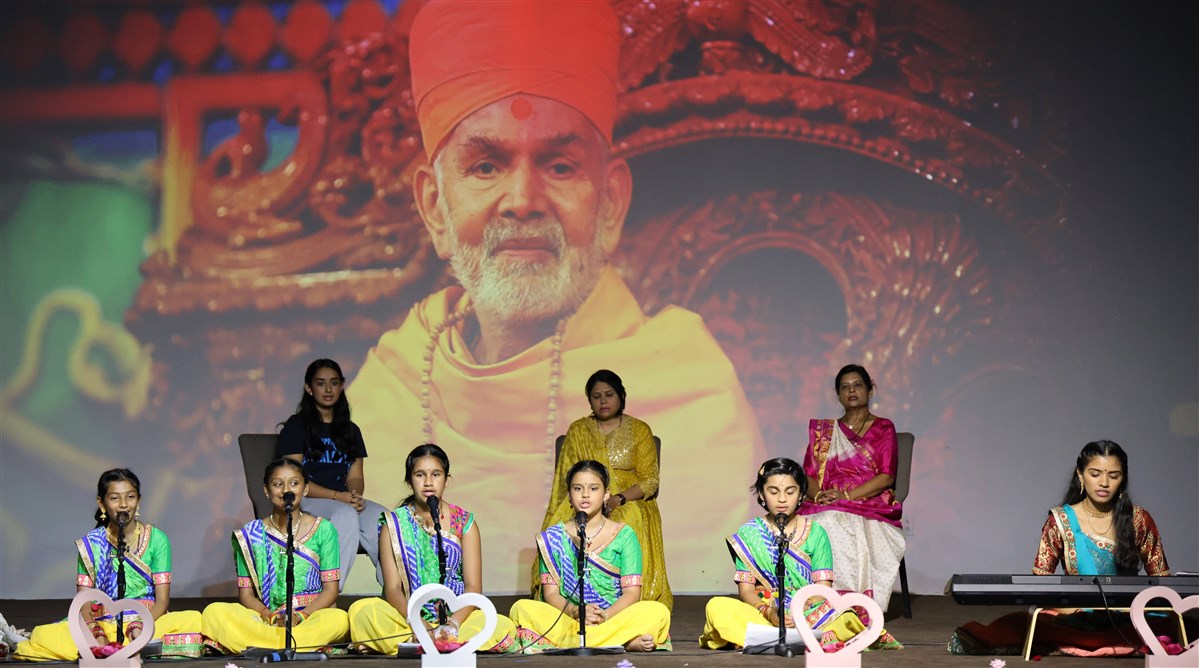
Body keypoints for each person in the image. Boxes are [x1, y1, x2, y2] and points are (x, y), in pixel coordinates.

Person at [349, 0, 765, 594]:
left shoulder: (691, 390)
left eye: (561, 166)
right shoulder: (389, 383)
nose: (523, 199)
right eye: (487, 165)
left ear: (612, 203)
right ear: (435, 208)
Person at [950, 440, 1174, 657]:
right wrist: (1070, 610)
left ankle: (1097, 640)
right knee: (1023, 623)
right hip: (1073, 617)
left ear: (1122, 479)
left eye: (1113, 475)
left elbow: (1161, 581)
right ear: (1080, 475)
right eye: (1095, 474)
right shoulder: (1060, 520)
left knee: (1178, 623)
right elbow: (1040, 582)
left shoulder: (1139, 520)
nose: (1104, 483)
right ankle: (1104, 641)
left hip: (1127, 615)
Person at [700, 458, 900, 651]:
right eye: (773, 491)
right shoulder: (748, 533)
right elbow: (746, 591)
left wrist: (797, 612)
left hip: (808, 611)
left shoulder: (816, 532)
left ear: (801, 494)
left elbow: (823, 590)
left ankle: (764, 639)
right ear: (761, 494)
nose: (782, 499)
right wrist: (769, 612)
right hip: (765, 612)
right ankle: (803, 639)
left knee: (845, 617)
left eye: (790, 491)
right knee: (717, 607)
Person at [11, 469, 202, 660]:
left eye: (130, 497)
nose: (124, 505)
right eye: (115, 498)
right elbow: (83, 600)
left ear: (139, 500)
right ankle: (113, 648)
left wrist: (141, 626)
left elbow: (162, 601)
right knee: (43, 636)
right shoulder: (91, 544)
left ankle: (125, 646)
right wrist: (96, 633)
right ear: (101, 503)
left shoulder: (157, 540)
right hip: (101, 621)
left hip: (145, 620)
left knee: (193, 620)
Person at [349, 445, 516, 654]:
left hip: (458, 620)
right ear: (409, 481)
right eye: (420, 475)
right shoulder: (393, 524)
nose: (428, 482)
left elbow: (473, 586)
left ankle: (415, 645)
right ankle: (439, 645)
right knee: (363, 611)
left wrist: (453, 625)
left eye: (436, 474)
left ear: (446, 479)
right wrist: (418, 624)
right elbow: (392, 589)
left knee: (498, 623)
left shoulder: (465, 523)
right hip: (409, 618)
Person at [539, 370, 672, 608]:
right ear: (589, 400)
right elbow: (566, 479)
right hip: (583, 497)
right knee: (556, 527)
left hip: (629, 500)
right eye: (596, 396)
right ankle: (564, 599)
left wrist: (617, 498)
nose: (603, 401)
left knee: (629, 518)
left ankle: (628, 600)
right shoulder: (578, 430)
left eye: (609, 395)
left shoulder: (639, 430)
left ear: (621, 396)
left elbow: (650, 480)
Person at [510, 460, 671, 653]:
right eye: (578, 488)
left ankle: (573, 641)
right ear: (569, 495)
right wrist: (576, 612)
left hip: (612, 617)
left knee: (657, 612)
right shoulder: (552, 537)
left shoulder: (624, 535)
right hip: (570, 619)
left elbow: (632, 593)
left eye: (594, 488)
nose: (585, 495)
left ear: (606, 494)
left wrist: (603, 616)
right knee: (521, 609)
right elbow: (550, 593)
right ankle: (622, 643)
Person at [201, 459, 348, 653]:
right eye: (278, 484)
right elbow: (246, 594)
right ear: (266, 490)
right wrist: (268, 615)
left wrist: (301, 616)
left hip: (311, 616)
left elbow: (330, 590)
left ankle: (262, 646)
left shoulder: (324, 529)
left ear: (305, 489)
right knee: (214, 613)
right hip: (268, 619)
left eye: (294, 483)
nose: (286, 490)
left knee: (338, 620)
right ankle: (294, 645)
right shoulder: (251, 534)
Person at [798, 364, 904, 612]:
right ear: (838, 395)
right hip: (825, 501)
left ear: (869, 390)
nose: (851, 390)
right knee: (798, 528)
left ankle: (844, 605)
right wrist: (820, 495)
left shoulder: (883, 428)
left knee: (832, 521)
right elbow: (809, 474)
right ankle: (806, 603)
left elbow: (887, 477)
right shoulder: (825, 433)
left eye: (857, 385)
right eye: (844, 387)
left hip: (868, 501)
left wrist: (845, 497)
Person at [277, 359, 387, 588]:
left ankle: (399, 594)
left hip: (343, 500)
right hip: (307, 499)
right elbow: (293, 481)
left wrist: (354, 495)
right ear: (309, 388)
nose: (328, 389)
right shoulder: (296, 427)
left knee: (386, 521)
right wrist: (339, 498)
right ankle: (328, 596)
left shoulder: (350, 430)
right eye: (320, 383)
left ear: (342, 386)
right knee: (345, 515)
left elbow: (355, 476)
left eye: (334, 383)